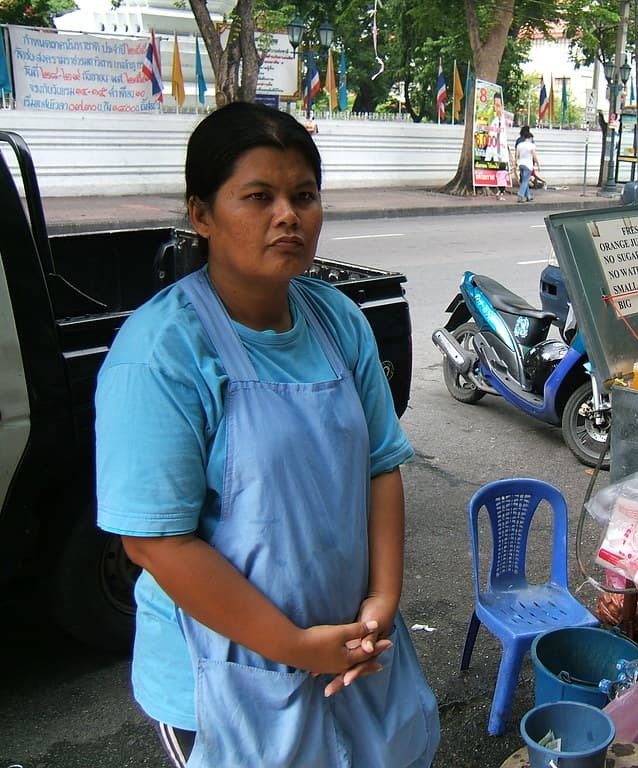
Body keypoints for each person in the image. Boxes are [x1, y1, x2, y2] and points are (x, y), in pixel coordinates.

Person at [95, 101, 439, 768]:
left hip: (350, 650)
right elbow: (155, 541)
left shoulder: (338, 322)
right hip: (224, 673)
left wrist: (383, 600)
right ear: (202, 215)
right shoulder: (162, 354)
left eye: (304, 196)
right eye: (259, 196)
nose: (289, 215)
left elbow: (380, 465)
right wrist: (292, 646)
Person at [515, 129, 540, 203]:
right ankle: (520, 195)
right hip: (528, 165)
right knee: (525, 181)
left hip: (521, 164)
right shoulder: (532, 145)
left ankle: (528, 195)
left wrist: (515, 163)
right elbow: (534, 156)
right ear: (530, 138)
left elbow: (517, 155)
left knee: (524, 180)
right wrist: (538, 164)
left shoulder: (520, 145)